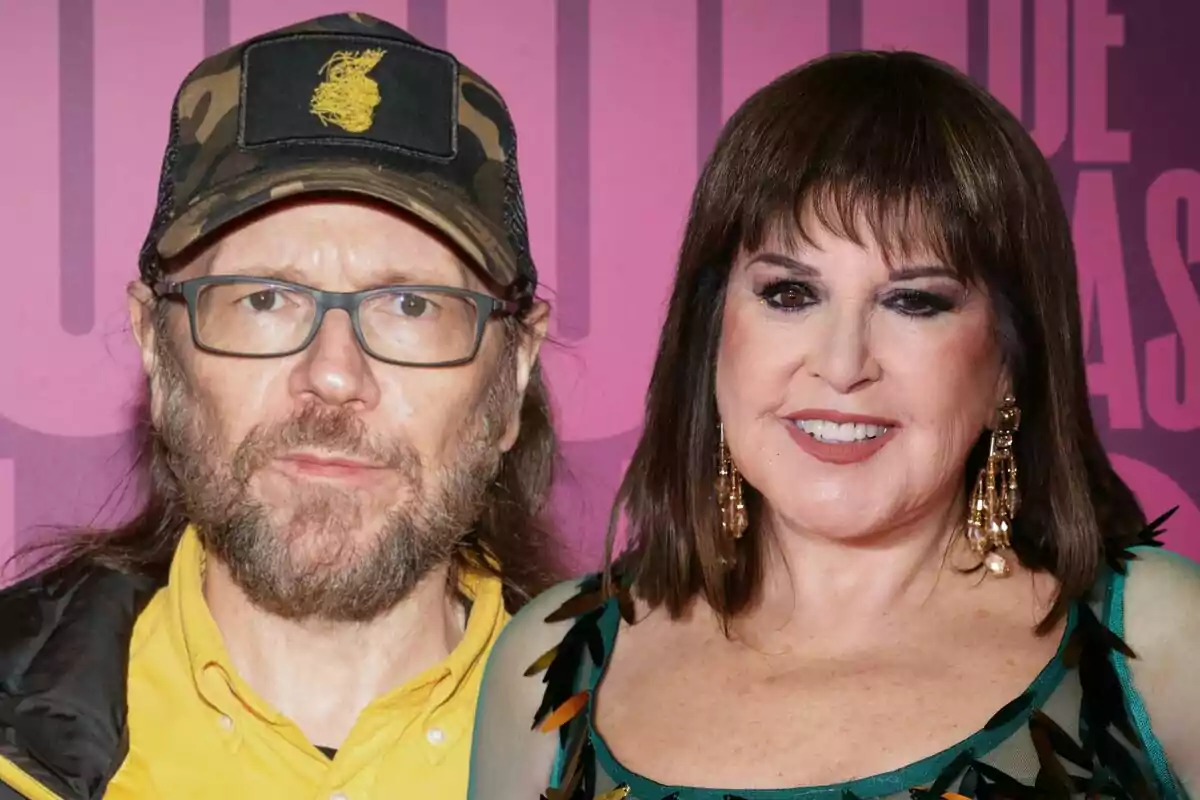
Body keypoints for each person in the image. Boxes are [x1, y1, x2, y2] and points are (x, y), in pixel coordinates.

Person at [468, 50, 1200, 800]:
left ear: (1009, 363)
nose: (844, 365)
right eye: (789, 294)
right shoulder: (551, 663)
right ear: (713, 334)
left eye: (914, 302)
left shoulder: (1160, 644)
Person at [0, 12, 562, 800]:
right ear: (159, 354)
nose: (334, 375)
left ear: (512, 376)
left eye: (409, 305)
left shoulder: (654, 747)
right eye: (264, 298)